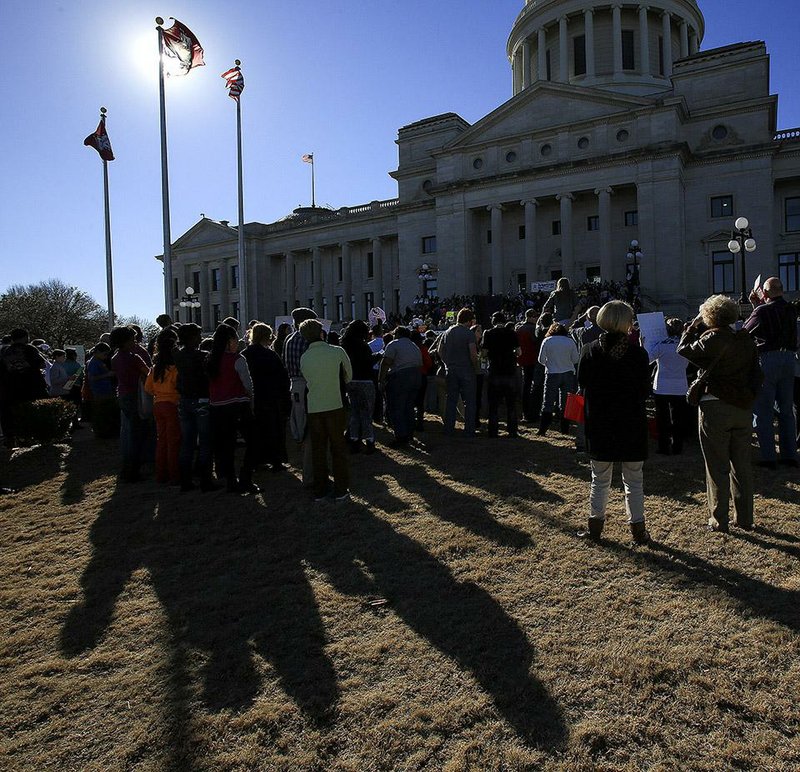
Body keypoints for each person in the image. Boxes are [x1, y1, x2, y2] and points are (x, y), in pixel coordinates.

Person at [678, 295, 763, 532]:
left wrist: (691, 328)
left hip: (715, 406)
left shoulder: (712, 338)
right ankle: (745, 518)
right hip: (743, 407)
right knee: (742, 466)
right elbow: (757, 374)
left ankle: (719, 519)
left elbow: (683, 350)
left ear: (709, 316)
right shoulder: (745, 340)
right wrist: (749, 397)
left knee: (716, 465)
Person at [577, 301, 651, 543]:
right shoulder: (638, 354)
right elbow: (644, 390)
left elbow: (583, 383)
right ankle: (638, 529)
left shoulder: (589, 350)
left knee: (599, 479)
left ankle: (595, 527)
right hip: (630, 423)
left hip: (601, 423)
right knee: (634, 480)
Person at [743, 277, 798, 469]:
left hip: (768, 360)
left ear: (764, 293)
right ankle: (790, 454)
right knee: (786, 410)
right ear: (781, 290)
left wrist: (756, 306)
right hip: (789, 360)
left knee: (763, 410)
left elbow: (744, 332)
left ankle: (768, 456)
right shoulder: (791, 310)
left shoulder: (762, 310)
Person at [299, 319, 353, 501]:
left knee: (318, 450)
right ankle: (341, 489)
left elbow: (307, 379)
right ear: (322, 333)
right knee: (338, 448)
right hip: (335, 404)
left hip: (314, 408)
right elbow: (349, 376)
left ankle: (320, 490)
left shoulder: (304, 357)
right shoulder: (337, 352)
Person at [207, 324, 259, 494]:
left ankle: (231, 480)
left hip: (218, 407)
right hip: (238, 405)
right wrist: (250, 401)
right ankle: (246, 477)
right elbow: (247, 384)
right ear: (230, 341)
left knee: (226, 446)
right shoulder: (237, 360)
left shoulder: (211, 360)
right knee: (253, 441)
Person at [173, 323, 216, 492]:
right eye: (198, 336)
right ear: (192, 338)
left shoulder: (178, 355)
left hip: (185, 400)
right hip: (201, 399)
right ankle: (205, 479)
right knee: (205, 441)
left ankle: (186, 480)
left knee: (187, 442)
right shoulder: (202, 356)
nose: (200, 338)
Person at [243, 323, 291, 472]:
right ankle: (276, 460)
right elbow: (283, 376)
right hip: (271, 396)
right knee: (274, 430)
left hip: (252, 397)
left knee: (256, 431)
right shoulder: (270, 355)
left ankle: (257, 460)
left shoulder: (245, 354)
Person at [110, 326, 150, 482]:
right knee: (137, 433)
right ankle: (133, 470)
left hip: (123, 395)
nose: (135, 342)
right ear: (125, 341)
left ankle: (128, 467)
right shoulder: (134, 357)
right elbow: (148, 372)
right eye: (132, 339)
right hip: (136, 396)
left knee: (128, 432)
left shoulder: (115, 357)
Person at [284, 307, 318, 487]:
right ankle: (311, 475)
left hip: (295, 384)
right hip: (307, 384)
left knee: (302, 427)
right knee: (310, 431)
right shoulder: (306, 340)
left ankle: (311, 471)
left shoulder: (289, 339)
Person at [144, 330, 182, 485]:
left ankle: (161, 474)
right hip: (171, 405)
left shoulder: (155, 368)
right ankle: (174, 474)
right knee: (173, 441)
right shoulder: (175, 369)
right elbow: (178, 387)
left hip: (158, 404)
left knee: (161, 440)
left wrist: (158, 393)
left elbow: (148, 388)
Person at [650, 317, 690, 455]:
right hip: (680, 384)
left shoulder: (662, 344)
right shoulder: (685, 344)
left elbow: (648, 359)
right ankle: (677, 446)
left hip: (662, 384)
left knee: (663, 418)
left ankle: (663, 446)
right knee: (678, 417)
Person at [378, 326, 423, 448]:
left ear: (397, 334)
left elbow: (386, 362)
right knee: (409, 407)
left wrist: (381, 380)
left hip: (401, 377)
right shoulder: (414, 346)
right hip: (416, 376)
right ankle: (409, 434)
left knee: (397, 407)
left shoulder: (394, 344)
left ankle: (401, 436)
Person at [438, 308, 479, 436]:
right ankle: (469, 430)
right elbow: (473, 353)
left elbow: (439, 350)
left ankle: (449, 428)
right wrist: (475, 366)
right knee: (469, 401)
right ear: (469, 320)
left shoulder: (447, 332)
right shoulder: (468, 333)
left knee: (451, 400)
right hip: (466, 369)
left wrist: (447, 363)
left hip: (451, 369)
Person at [341, 320, 378, 453]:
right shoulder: (363, 346)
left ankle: (354, 440)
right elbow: (368, 362)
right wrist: (378, 356)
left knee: (355, 413)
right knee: (366, 413)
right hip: (366, 381)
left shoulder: (344, 346)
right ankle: (369, 440)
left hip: (351, 381)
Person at [481, 312, 520, 438]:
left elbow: (484, 353)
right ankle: (512, 430)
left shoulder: (488, 333)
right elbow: (519, 352)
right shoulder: (512, 333)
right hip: (509, 370)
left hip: (495, 370)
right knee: (511, 404)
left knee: (494, 403)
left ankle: (493, 430)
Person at [537, 323, 579, 436]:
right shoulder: (570, 341)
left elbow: (541, 359)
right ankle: (565, 429)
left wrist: (549, 364)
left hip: (552, 373)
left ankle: (543, 429)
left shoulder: (547, 341)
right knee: (566, 403)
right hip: (568, 373)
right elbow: (575, 359)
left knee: (548, 402)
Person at [85, 342, 118, 438]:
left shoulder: (99, 362)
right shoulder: (93, 363)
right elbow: (92, 378)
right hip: (99, 391)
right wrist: (107, 374)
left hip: (106, 390)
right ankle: (101, 432)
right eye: (105, 354)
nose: (106, 356)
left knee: (106, 412)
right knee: (101, 412)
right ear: (98, 352)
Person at [516, 308, 539, 422]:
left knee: (526, 386)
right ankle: (531, 411)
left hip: (522, 360)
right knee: (533, 386)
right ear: (529, 317)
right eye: (534, 317)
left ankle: (525, 411)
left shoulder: (519, 328)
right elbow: (536, 342)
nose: (536, 319)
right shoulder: (532, 329)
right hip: (532, 360)